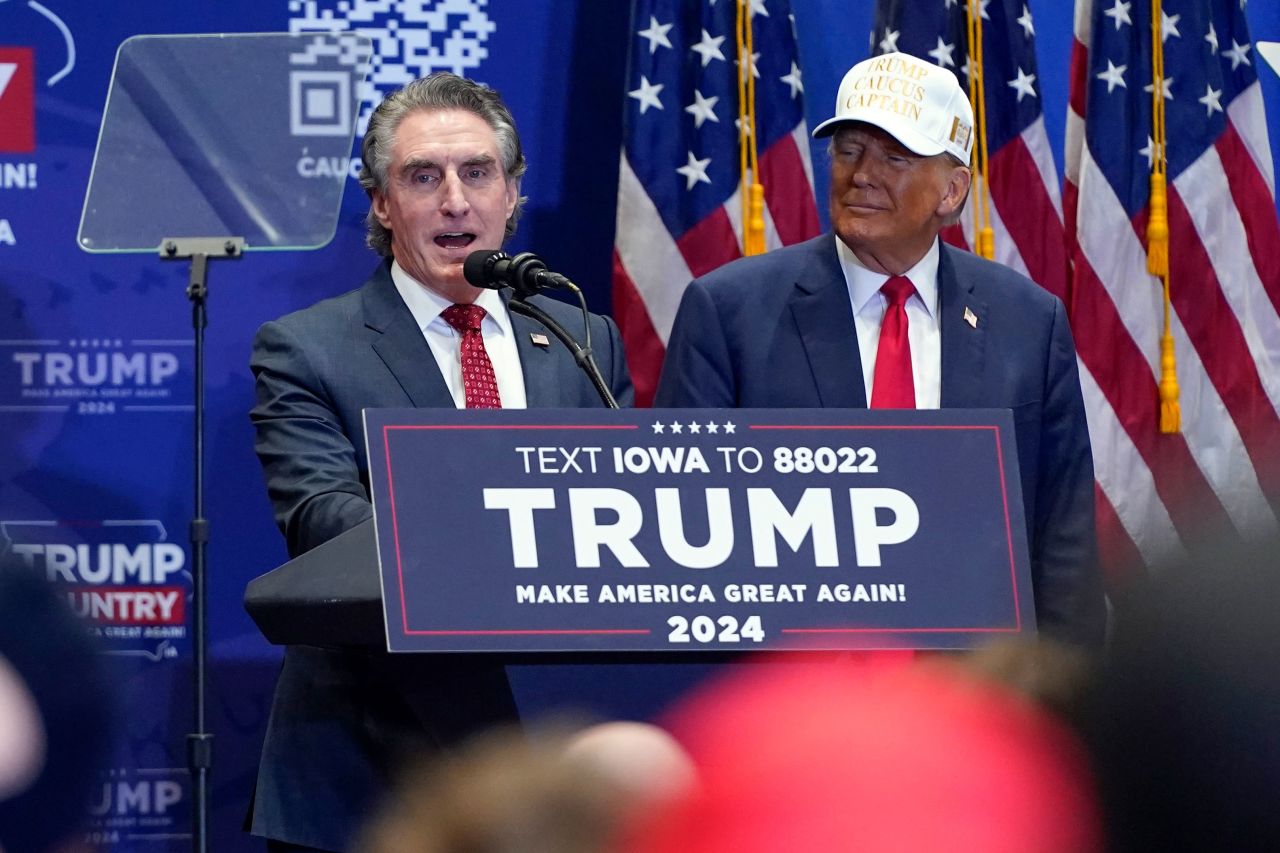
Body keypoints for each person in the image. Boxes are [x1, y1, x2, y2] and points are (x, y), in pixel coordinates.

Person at [248, 72, 632, 852]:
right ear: (383, 205)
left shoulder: (580, 335)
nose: (456, 200)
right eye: (424, 177)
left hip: (550, 757)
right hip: (372, 760)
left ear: (513, 193)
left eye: (478, 172)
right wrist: (499, 545)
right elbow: (324, 518)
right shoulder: (306, 348)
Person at [654, 52, 1104, 647]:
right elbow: (683, 528)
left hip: (976, 697)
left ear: (951, 190)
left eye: (894, 157)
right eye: (848, 151)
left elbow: (1062, 541)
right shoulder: (729, 311)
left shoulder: (1029, 321)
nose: (861, 174)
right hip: (796, 689)